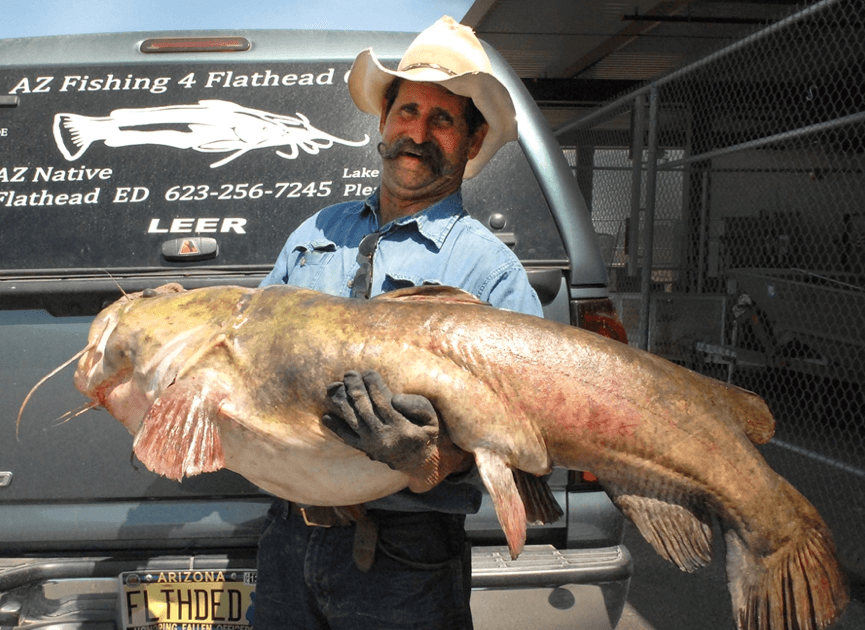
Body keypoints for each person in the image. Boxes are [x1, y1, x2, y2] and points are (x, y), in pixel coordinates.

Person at [255, 16, 543, 630]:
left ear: (471, 141)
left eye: (442, 119)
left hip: (405, 560)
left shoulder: (489, 270)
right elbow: (250, 348)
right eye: (407, 111)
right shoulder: (315, 234)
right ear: (384, 123)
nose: (418, 131)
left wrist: (431, 458)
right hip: (285, 543)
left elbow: (528, 432)